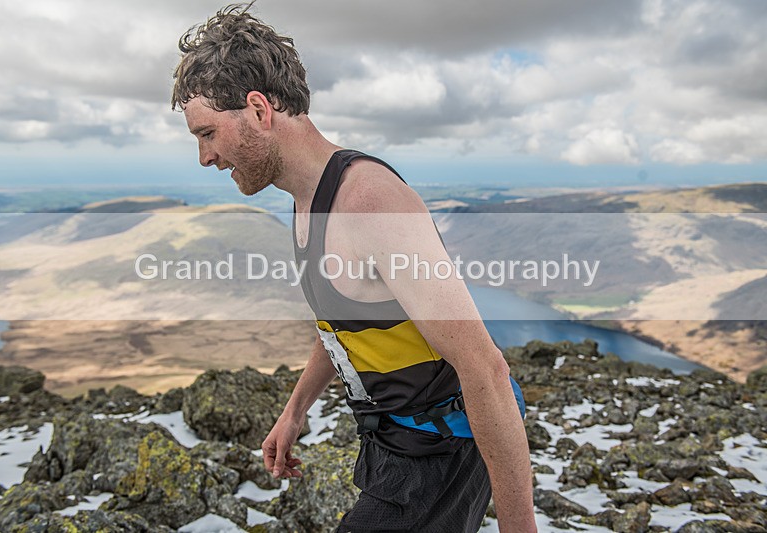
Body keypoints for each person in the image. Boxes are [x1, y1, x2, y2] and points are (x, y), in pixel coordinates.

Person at [171, 4, 536, 532]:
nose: (205, 158)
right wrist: (295, 410)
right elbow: (343, 321)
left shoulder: (368, 201)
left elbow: (486, 369)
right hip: (393, 443)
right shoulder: (306, 202)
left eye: (207, 133)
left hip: (439, 451)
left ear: (257, 109)